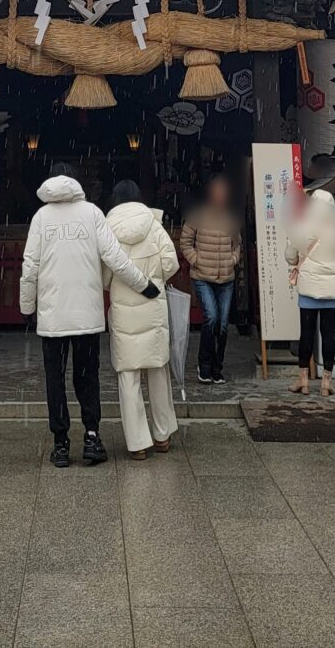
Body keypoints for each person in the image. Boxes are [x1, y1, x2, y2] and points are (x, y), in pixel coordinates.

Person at [20, 161, 160, 469]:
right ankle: (92, 437)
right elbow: (115, 258)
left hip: (53, 315)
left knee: (54, 379)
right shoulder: (93, 213)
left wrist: (27, 307)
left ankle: (60, 443)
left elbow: (29, 267)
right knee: (87, 378)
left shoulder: (41, 218)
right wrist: (145, 286)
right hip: (86, 314)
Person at [104, 180, 180, 460]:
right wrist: (153, 277)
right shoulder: (155, 226)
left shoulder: (107, 230)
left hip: (124, 311)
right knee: (158, 370)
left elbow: (103, 276)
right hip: (153, 306)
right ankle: (162, 435)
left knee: (129, 375)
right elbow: (171, 264)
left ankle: (137, 444)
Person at [285, 184, 335, 398]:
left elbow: (290, 256)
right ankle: (326, 383)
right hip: (332, 290)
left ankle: (303, 381)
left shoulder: (302, 226)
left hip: (309, 289)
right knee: (329, 334)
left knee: (306, 333)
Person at [180, 175, 242, 383]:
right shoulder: (198, 215)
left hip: (226, 276)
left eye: (223, 192)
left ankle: (217, 367)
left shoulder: (231, 218)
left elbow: (237, 244)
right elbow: (185, 242)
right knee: (212, 318)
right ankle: (204, 364)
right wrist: (196, 260)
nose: (220, 196)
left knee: (223, 324)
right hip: (202, 276)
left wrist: (232, 259)